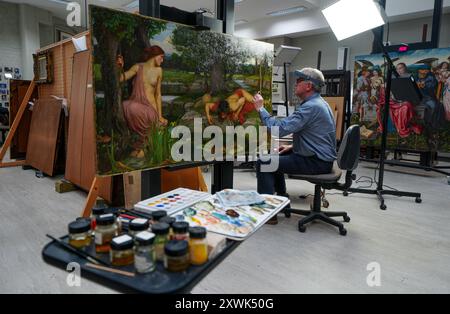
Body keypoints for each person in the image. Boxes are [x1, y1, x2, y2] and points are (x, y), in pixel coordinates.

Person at [253, 68, 336, 225]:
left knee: (264, 162)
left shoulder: (311, 107)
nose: (295, 84)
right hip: (319, 158)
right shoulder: (318, 103)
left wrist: (260, 108)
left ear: (308, 86)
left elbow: (279, 129)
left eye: (299, 81)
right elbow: (317, 137)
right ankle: (282, 203)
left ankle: (267, 213)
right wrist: (291, 147)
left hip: (316, 162)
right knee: (274, 158)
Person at [117, 45, 168, 158]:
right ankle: (139, 148)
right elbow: (121, 78)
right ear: (154, 56)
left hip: (151, 110)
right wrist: (120, 66)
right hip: (137, 104)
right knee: (126, 105)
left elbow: (158, 94)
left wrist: (160, 116)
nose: (162, 60)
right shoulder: (138, 67)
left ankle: (142, 148)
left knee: (131, 107)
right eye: (161, 57)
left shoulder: (159, 71)